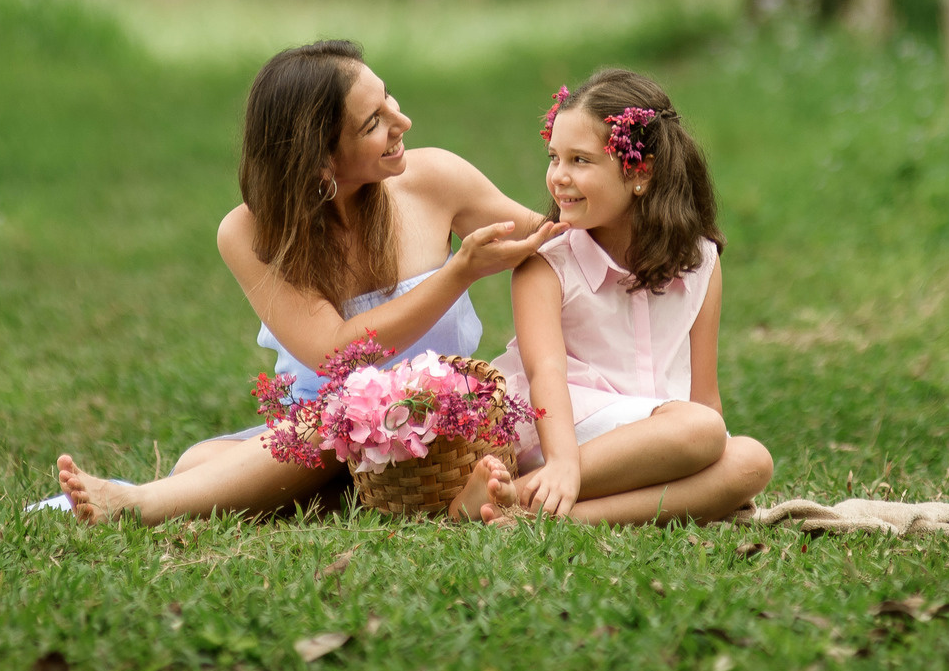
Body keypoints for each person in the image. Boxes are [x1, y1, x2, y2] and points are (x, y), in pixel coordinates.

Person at [40, 39, 560, 523]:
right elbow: (337, 357)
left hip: (440, 428)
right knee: (221, 454)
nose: (403, 120)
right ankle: (411, 497)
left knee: (220, 466)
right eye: (373, 122)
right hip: (318, 436)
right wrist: (457, 273)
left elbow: (553, 243)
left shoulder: (437, 178)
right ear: (319, 162)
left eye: (389, 99)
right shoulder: (248, 231)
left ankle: (144, 502)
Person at [475, 68, 773, 524]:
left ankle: (539, 510)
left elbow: (704, 396)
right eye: (555, 157)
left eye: (580, 160)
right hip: (562, 431)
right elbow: (545, 373)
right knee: (700, 430)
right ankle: (541, 486)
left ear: (640, 172)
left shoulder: (701, 260)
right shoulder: (546, 265)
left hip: (662, 435)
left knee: (751, 460)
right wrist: (563, 461)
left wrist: (703, 459)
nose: (559, 177)